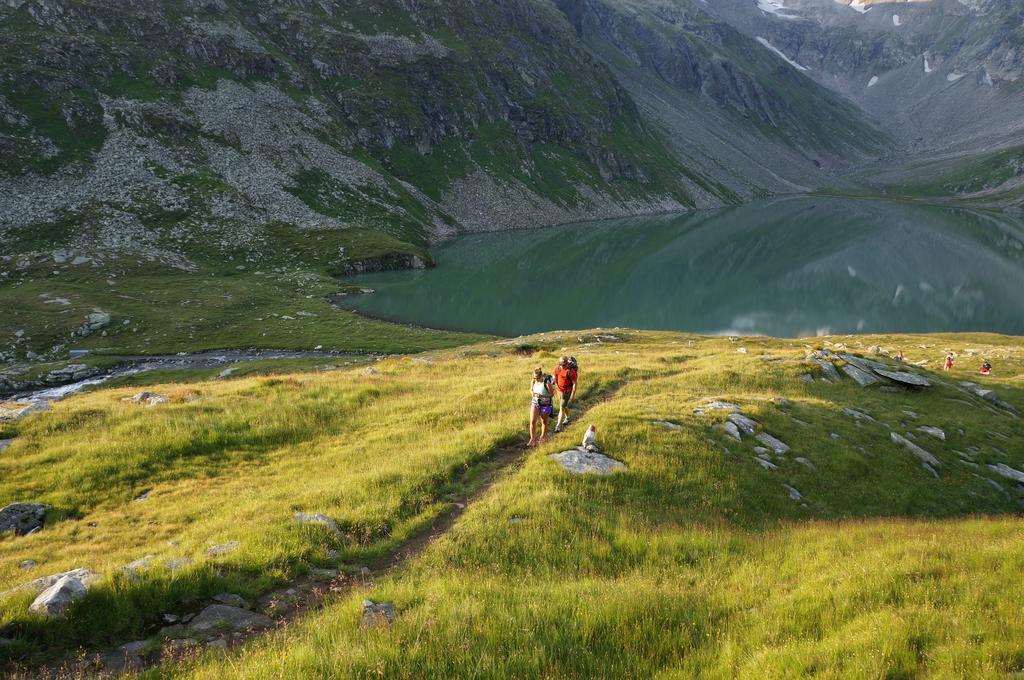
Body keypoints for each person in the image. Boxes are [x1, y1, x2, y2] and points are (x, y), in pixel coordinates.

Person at [528, 367, 555, 447]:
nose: (535, 379)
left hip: (545, 404)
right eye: (534, 377)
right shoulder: (533, 381)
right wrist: (532, 393)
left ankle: (543, 437)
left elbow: (551, 394)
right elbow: (530, 389)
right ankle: (532, 439)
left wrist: (542, 395)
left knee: (544, 421)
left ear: (540, 376)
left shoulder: (546, 382)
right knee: (532, 421)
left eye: (536, 377)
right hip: (535, 403)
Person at [552, 355, 578, 433]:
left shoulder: (571, 371)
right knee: (564, 405)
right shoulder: (557, 368)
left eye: (563, 364)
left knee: (561, 407)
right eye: (560, 364)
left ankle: (558, 425)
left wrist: (573, 395)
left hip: (567, 391)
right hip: (559, 390)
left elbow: (575, 384)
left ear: (567, 363)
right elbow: (555, 379)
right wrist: (553, 388)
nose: (562, 366)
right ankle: (568, 417)